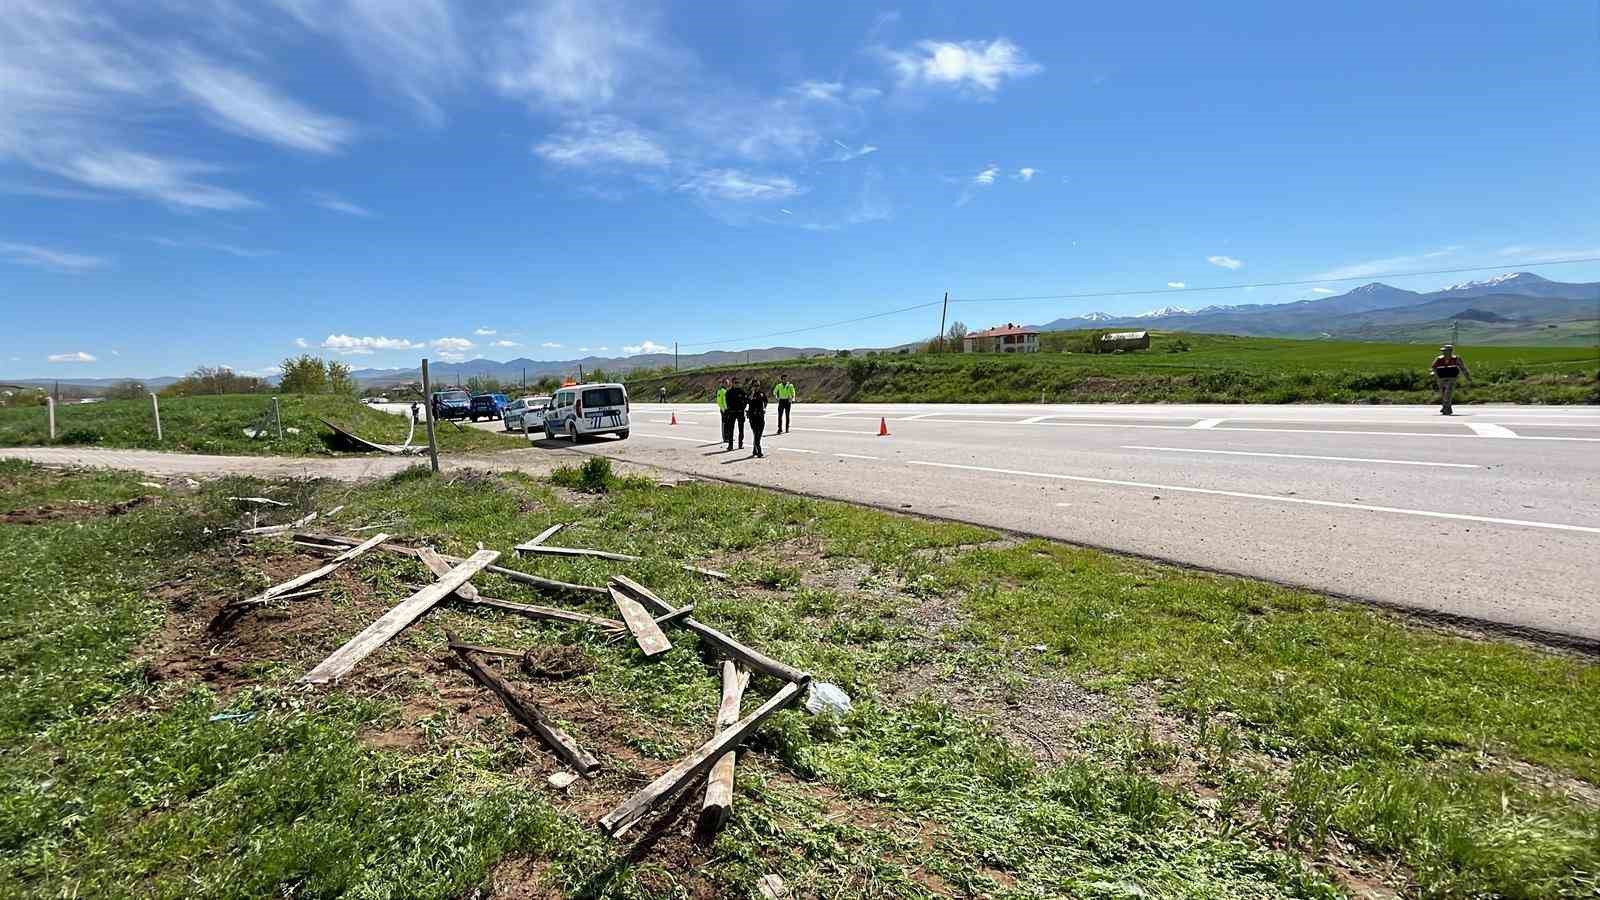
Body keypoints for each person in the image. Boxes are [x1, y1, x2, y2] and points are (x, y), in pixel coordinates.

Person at [1430, 344, 1472, 415]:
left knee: (1448, 393)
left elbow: (1463, 368)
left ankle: (1447, 409)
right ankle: (1445, 407)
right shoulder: (1439, 359)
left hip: (1452, 378)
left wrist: (1468, 377)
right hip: (1441, 378)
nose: (1443, 352)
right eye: (1443, 351)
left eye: (1445, 351)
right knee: (1443, 394)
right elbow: (1433, 367)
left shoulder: (1456, 359)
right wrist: (1436, 376)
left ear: (1450, 351)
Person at [746, 379, 769, 457]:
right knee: (756, 434)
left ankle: (754, 450)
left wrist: (764, 408)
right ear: (752, 386)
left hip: (760, 416)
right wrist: (752, 394)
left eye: (758, 385)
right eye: (755, 385)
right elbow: (747, 401)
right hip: (753, 417)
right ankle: (759, 451)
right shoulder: (750, 394)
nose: (757, 387)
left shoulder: (762, 393)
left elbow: (766, 401)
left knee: (758, 434)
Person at [725, 379, 749, 450]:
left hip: (740, 412)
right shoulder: (729, 392)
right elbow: (727, 402)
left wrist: (743, 408)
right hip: (732, 412)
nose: (737, 384)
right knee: (730, 429)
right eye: (735, 383)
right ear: (732, 383)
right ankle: (730, 445)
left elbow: (745, 400)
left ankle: (740, 444)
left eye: (738, 382)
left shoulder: (741, 391)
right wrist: (730, 409)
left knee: (741, 429)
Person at [715, 378, 731, 447]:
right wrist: (723, 409)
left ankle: (729, 437)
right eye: (726, 383)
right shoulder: (720, 390)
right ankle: (725, 438)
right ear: (723, 383)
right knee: (725, 424)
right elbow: (719, 401)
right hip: (724, 410)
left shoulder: (727, 390)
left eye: (728, 383)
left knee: (729, 423)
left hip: (728, 409)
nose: (727, 384)